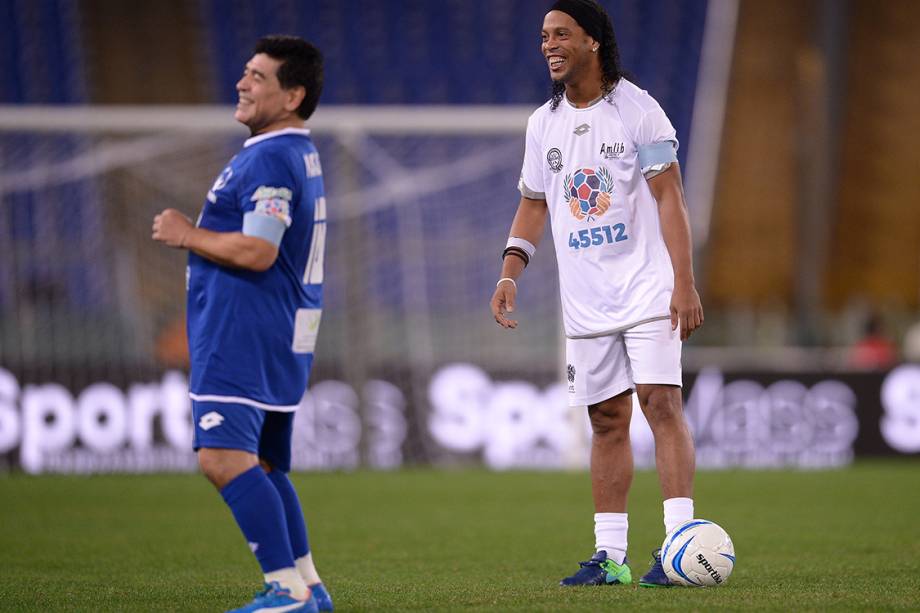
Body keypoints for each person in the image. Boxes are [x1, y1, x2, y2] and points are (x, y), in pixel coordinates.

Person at [490, 0, 703, 588]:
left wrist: (683, 282)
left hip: (647, 290)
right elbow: (534, 201)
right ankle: (610, 557)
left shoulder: (639, 110)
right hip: (584, 302)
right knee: (607, 420)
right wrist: (511, 270)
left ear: (593, 42)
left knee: (661, 405)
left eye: (561, 34)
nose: (549, 45)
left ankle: (679, 546)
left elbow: (670, 198)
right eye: (543, 37)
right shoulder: (543, 124)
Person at [152, 35, 333, 613]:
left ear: (292, 95)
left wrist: (186, 234)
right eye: (245, 71)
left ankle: (286, 590)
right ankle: (308, 584)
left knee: (222, 457)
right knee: (264, 463)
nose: (242, 82)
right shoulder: (294, 151)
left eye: (258, 76)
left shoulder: (269, 156)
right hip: (278, 328)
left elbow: (258, 250)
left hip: (245, 329)